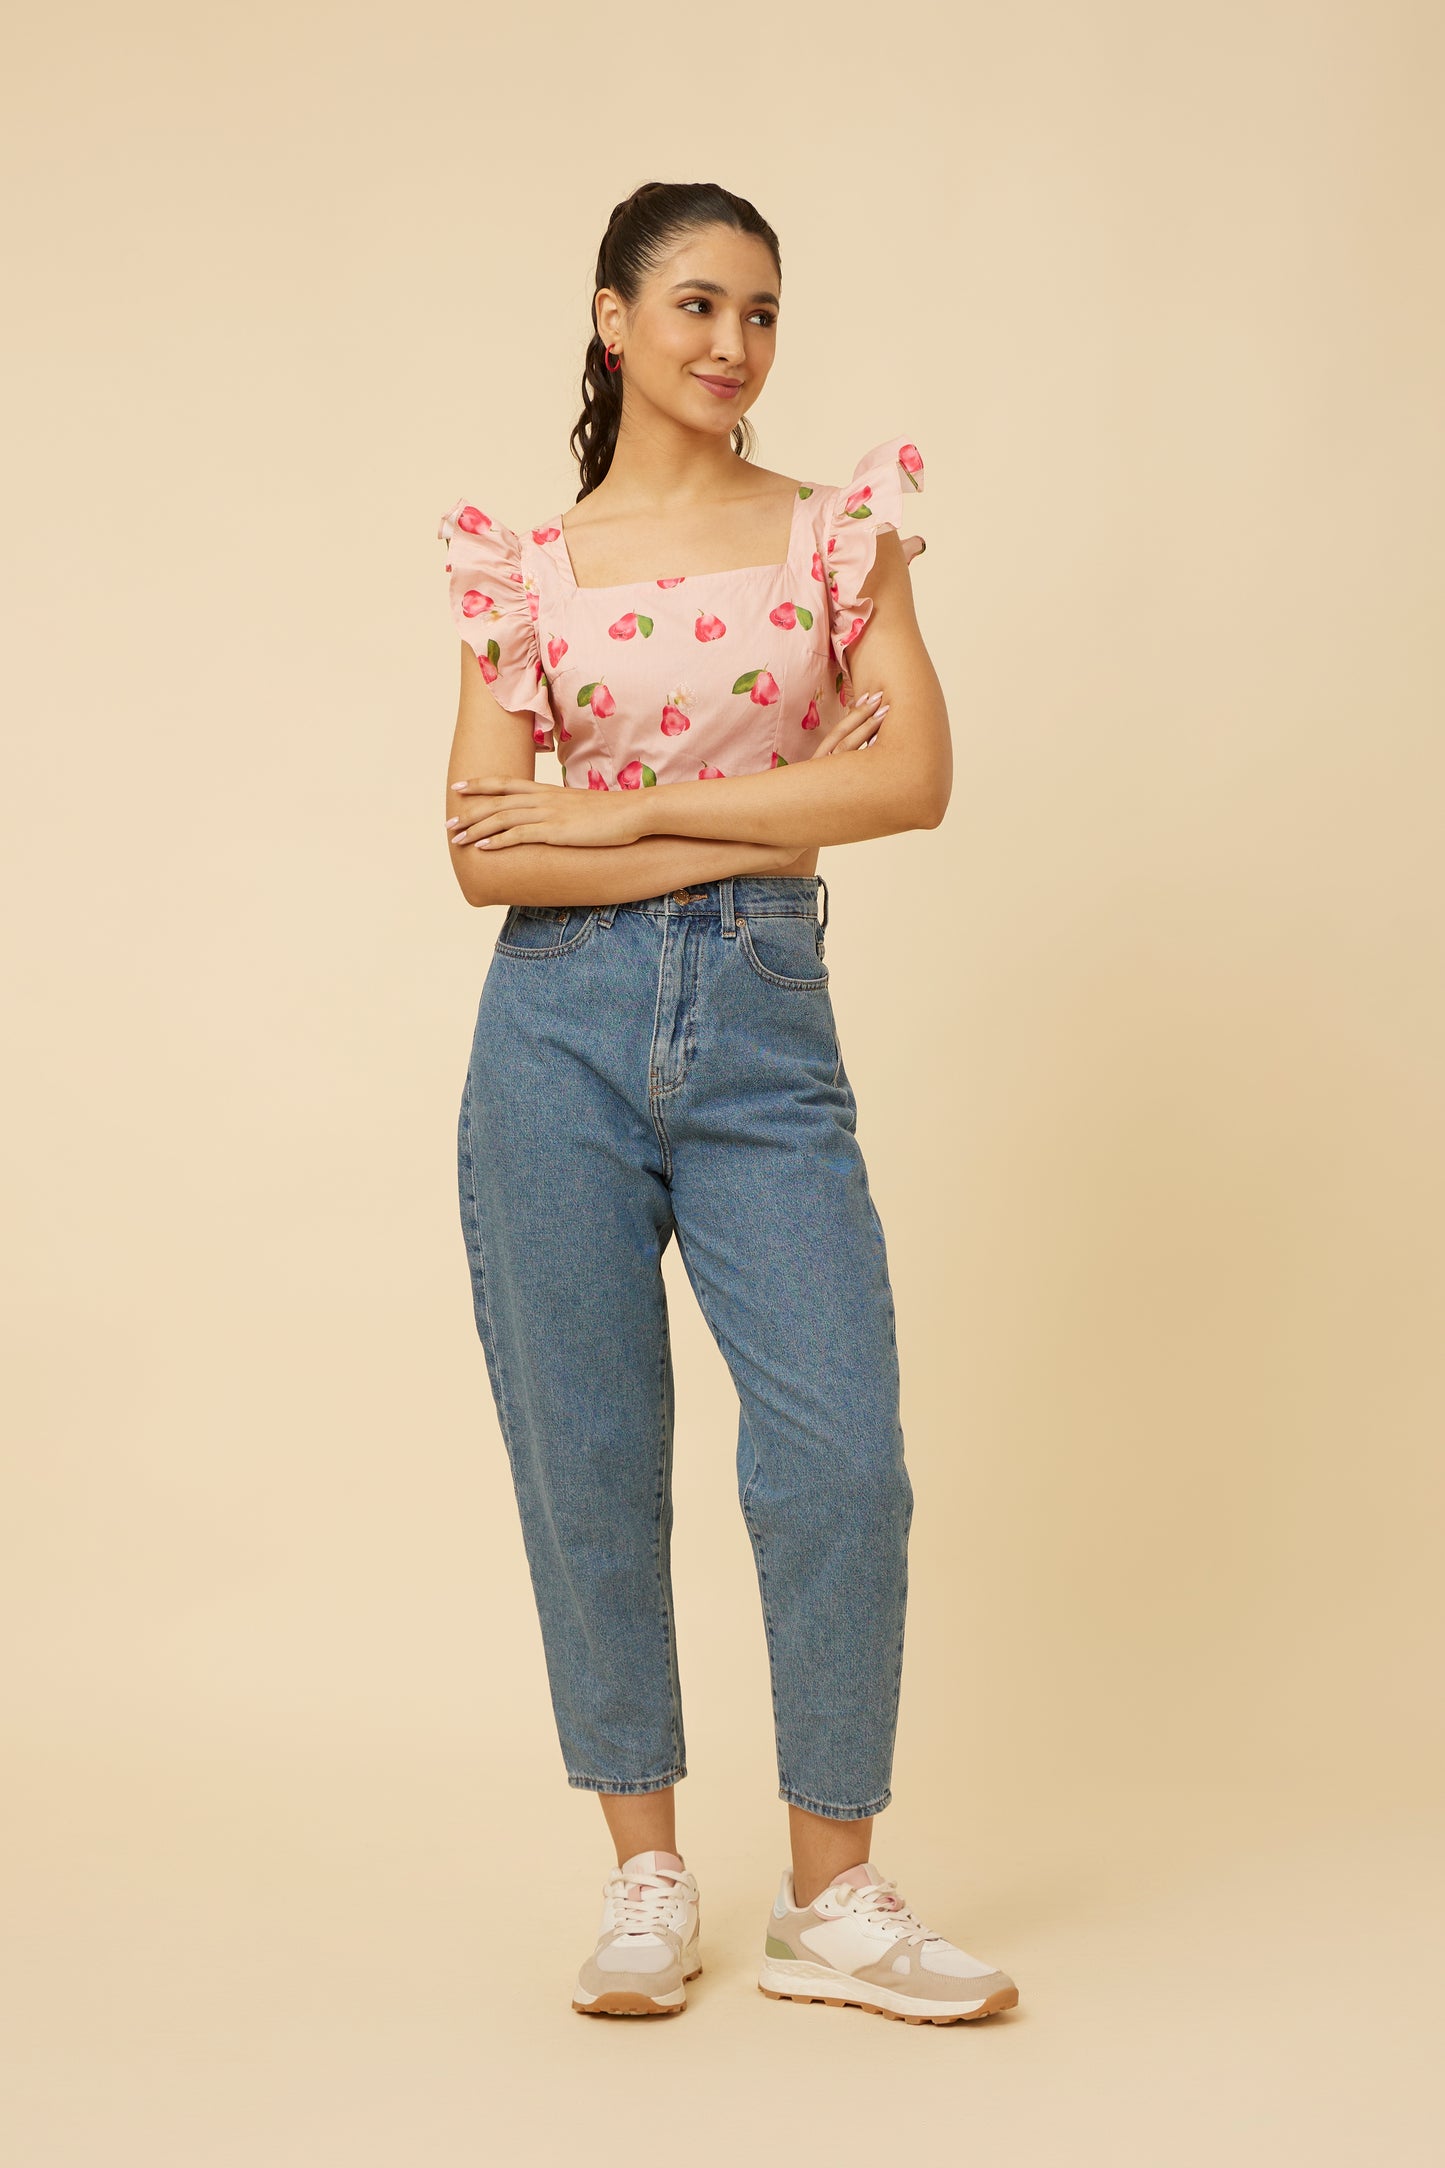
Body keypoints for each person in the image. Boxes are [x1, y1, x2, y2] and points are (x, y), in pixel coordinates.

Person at [437, 180, 1018, 2026]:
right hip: (552, 1033)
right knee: (592, 1464)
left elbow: (912, 779)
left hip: (767, 1021)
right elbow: (477, 857)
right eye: (694, 305)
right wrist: (760, 797)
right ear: (611, 321)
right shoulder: (514, 571)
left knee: (843, 1456)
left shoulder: (840, 536)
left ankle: (832, 1903)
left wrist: (608, 812)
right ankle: (645, 1876)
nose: (733, 347)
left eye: (761, 313)